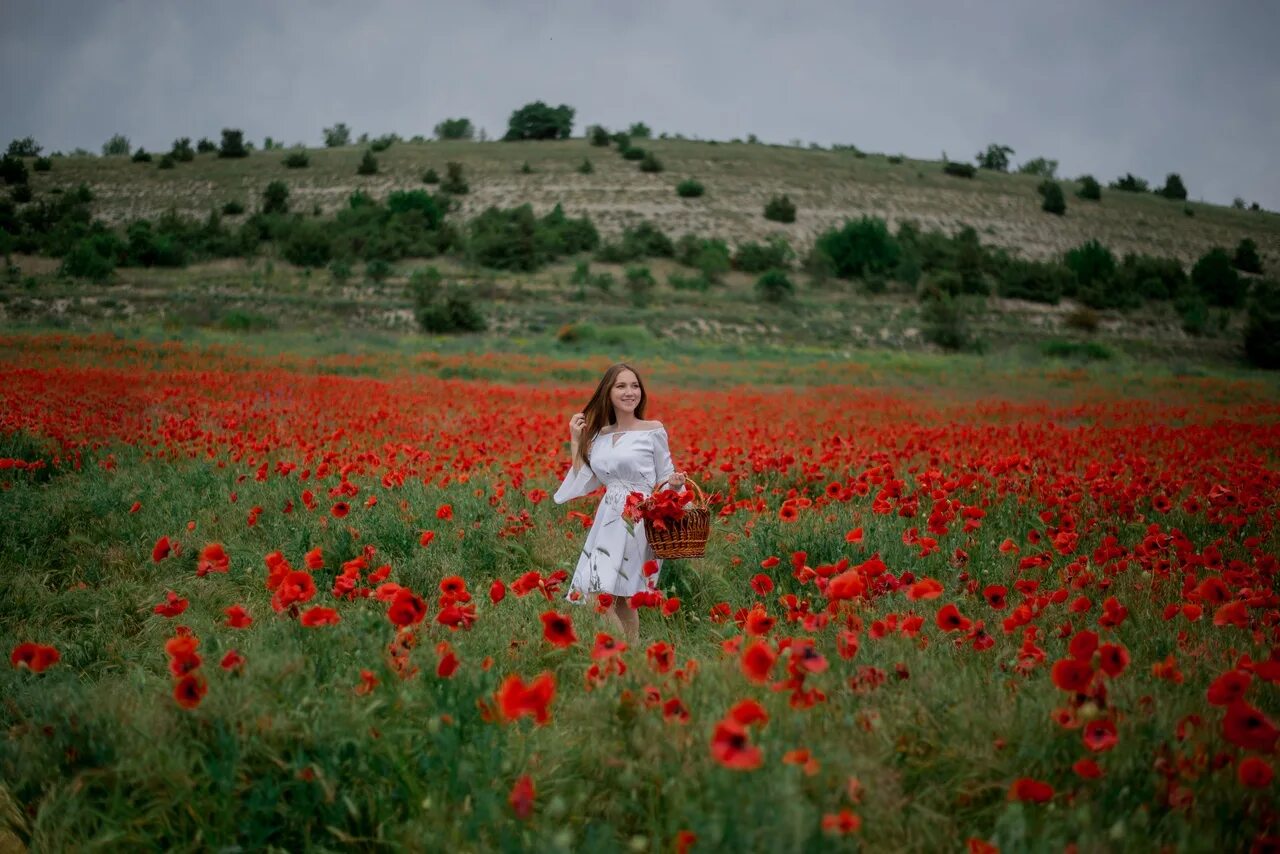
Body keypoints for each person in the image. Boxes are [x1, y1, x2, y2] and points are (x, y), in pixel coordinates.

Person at [554, 363, 686, 643]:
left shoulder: (653, 430)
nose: (630, 392)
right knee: (614, 597)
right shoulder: (600, 435)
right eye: (621, 386)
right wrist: (576, 441)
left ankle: (624, 657)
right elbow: (586, 479)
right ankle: (633, 660)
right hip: (609, 518)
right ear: (608, 393)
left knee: (609, 597)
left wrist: (674, 487)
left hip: (638, 518)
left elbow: (665, 475)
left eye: (635, 386)